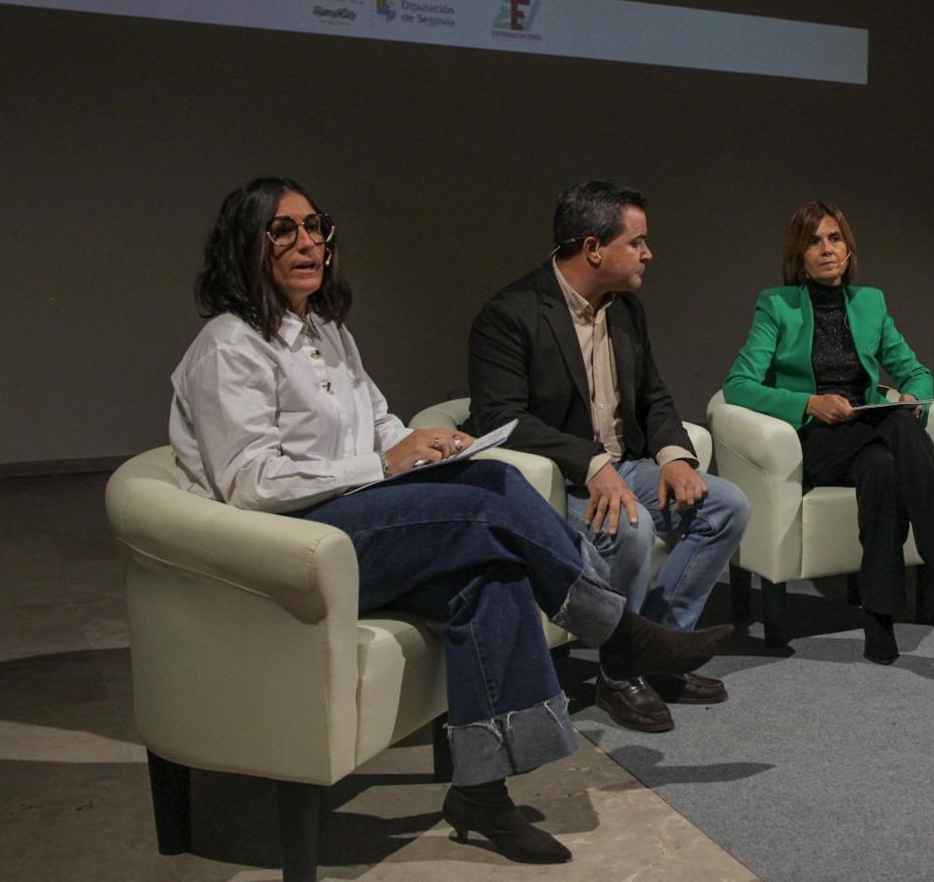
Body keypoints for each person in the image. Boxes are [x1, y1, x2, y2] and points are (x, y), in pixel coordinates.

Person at [169, 177, 731, 865]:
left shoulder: (327, 332)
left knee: (490, 577)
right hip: (294, 544)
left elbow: (378, 422)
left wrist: (422, 444)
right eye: (283, 231)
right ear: (243, 247)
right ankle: (621, 633)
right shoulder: (230, 346)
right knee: (492, 488)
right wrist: (384, 465)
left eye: (316, 227)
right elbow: (251, 483)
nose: (308, 243)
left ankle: (480, 795)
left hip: (352, 522)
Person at [466, 180, 749, 733]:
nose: (649, 253)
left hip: (629, 466)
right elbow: (497, 418)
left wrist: (674, 457)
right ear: (594, 248)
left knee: (728, 506)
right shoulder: (511, 314)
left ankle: (661, 650)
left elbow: (654, 397)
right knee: (632, 528)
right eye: (637, 242)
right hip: (558, 482)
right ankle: (619, 674)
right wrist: (592, 464)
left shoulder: (626, 312)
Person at [722, 201, 934, 665]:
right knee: (895, 424)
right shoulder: (777, 305)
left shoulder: (870, 303)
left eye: (834, 238)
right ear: (798, 256)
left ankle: (879, 623)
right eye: (813, 242)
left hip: (867, 435)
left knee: (883, 469)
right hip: (812, 440)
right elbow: (737, 386)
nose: (826, 250)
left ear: (848, 246)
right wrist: (808, 403)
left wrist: (910, 399)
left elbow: (915, 373)